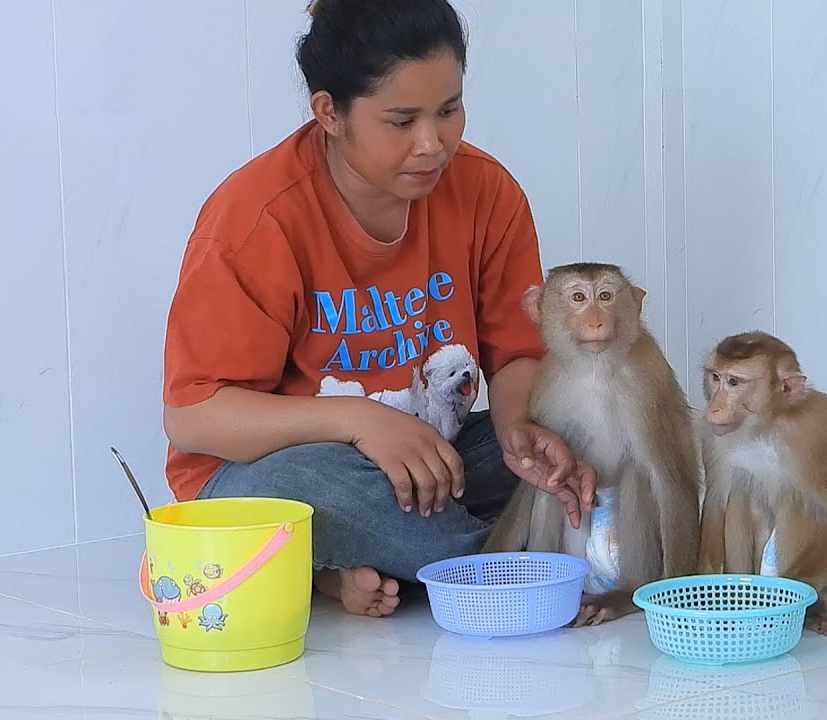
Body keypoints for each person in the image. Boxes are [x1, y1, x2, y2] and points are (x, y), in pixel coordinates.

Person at [160, 0, 594, 618]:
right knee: (317, 489)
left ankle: (361, 565)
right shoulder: (257, 220)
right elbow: (194, 417)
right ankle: (508, 569)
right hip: (280, 472)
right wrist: (359, 420)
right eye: (400, 120)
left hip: (431, 454)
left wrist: (518, 429)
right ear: (329, 112)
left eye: (449, 111)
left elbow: (517, 355)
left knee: (583, 434)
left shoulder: (487, 192)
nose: (431, 144)